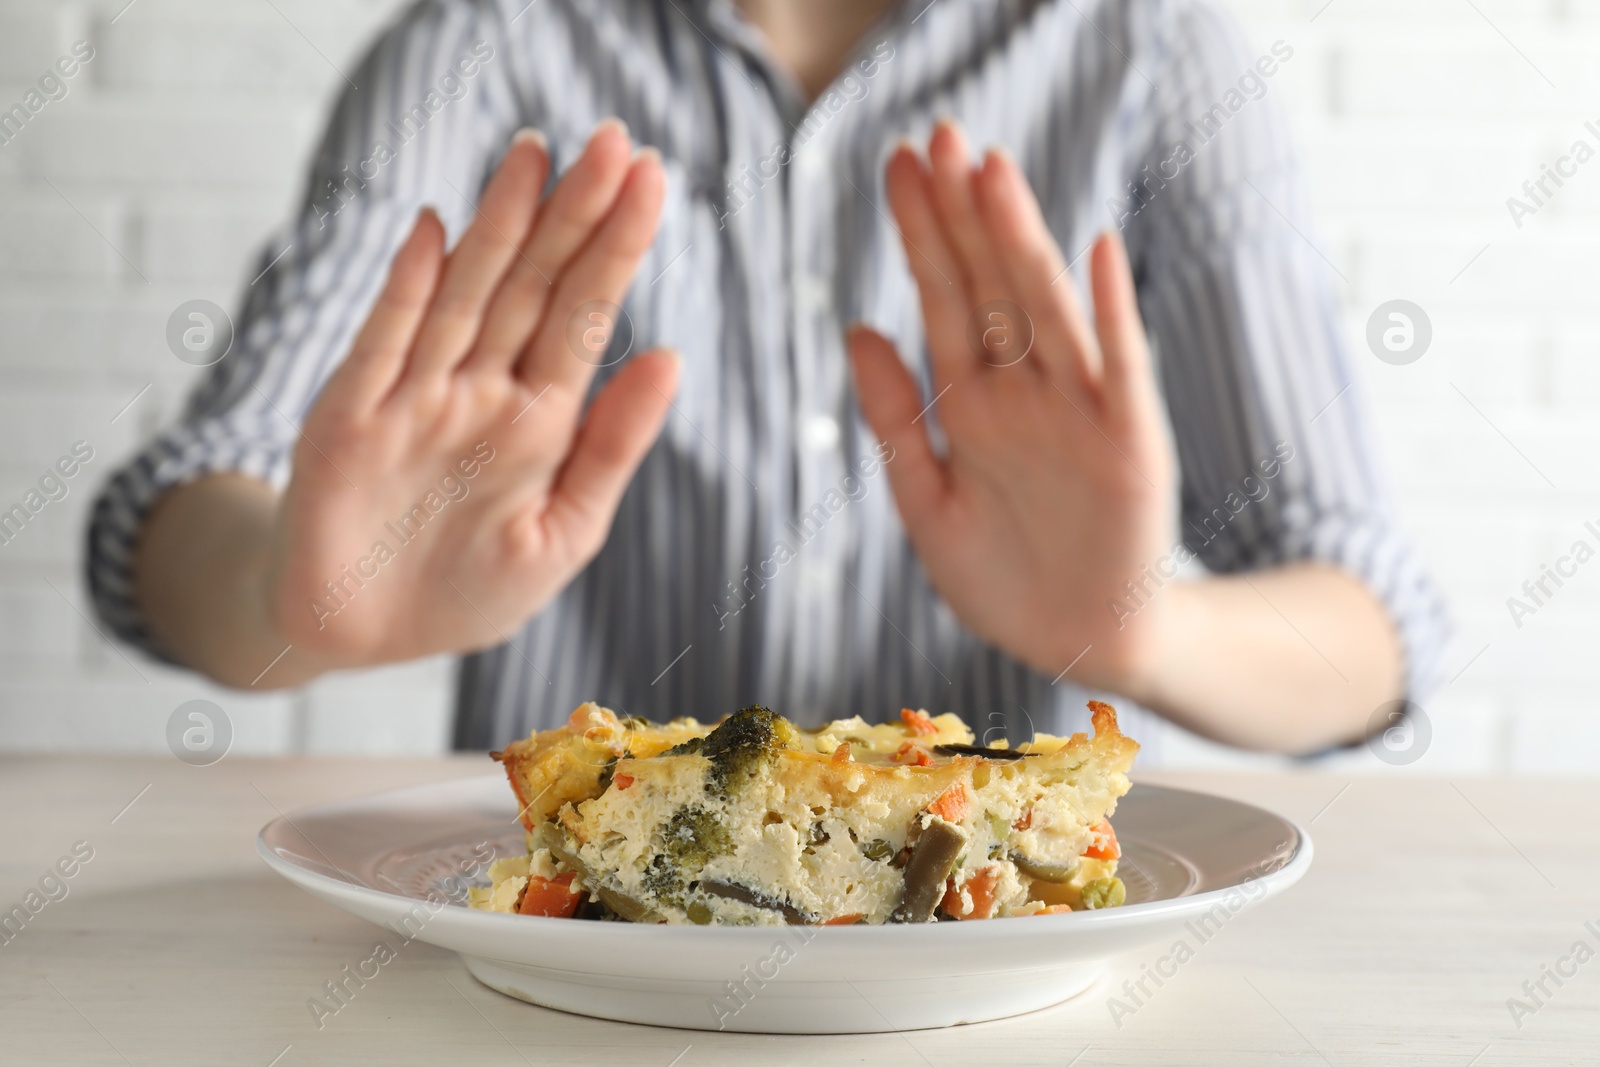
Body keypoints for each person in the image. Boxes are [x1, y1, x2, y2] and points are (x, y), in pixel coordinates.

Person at [87, 0, 1446, 756]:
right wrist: (294, 599)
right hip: (570, 973)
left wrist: (1145, 632)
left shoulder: (1145, 53)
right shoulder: (479, 46)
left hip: (988, 980)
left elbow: (1371, 627)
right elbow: (179, 514)